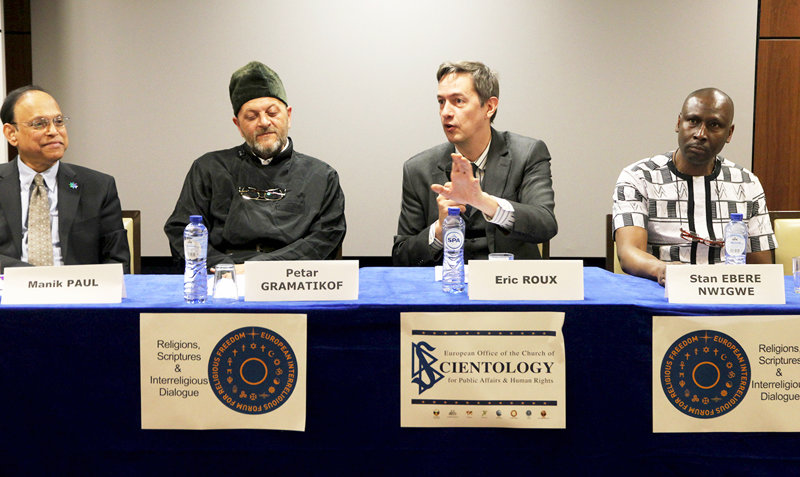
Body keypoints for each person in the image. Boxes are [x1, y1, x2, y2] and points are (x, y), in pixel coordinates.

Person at [164, 61, 346, 268]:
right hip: (223, 275)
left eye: (272, 113)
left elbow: (327, 236)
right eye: (251, 116)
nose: (264, 122)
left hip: (291, 276)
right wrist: (224, 268)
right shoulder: (208, 169)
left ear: (288, 116)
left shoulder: (321, 175)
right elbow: (181, 230)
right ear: (238, 125)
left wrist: (261, 268)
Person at [392, 61, 557, 266]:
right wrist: (440, 229)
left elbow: (545, 224)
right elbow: (401, 257)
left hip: (507, 282)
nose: (446, 112)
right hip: (446, 283)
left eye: (458, 101)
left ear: (489, 107)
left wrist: (483, 202)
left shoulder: (527, 154)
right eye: (441, 102)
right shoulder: (418, 169)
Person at [612, 87, 776, 285]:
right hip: (661, 290)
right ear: (678, 123)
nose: (700, 134)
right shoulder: (639, 177)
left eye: (714, 125)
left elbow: (762, 269)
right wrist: (663, 270)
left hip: (726, 292)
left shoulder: (747, 183)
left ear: (729, 133)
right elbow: (628, 252)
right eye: (693, 121)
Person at [0, 85, 130, 273]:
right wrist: (32, 278)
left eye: (59, 121)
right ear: (11, 134)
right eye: (39, 123)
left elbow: (117, 260)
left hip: (79, 289)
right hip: (8, 288)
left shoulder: (98, 186)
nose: (54, 131)